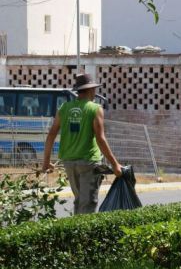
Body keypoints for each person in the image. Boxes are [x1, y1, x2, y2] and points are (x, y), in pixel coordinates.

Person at [42, 74, 122, 214]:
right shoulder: (95, 108)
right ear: (91, 90)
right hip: (88, 162)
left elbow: (51, 135)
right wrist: (115, 164)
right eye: (94, 89)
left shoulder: (64, 108)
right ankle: (83, 235)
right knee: (88, 204)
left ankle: (76, 233)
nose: (95, 92)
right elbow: (100, 139)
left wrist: (46, 162)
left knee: (79, 200)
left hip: (69, 162)